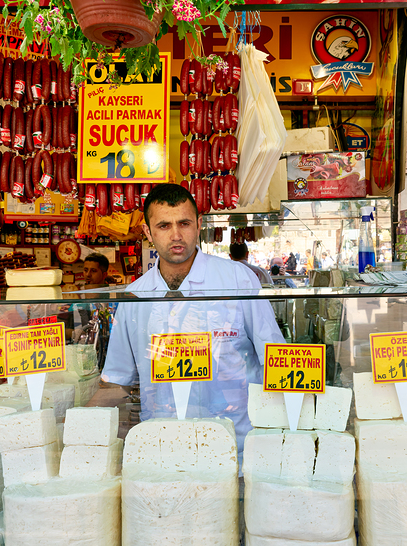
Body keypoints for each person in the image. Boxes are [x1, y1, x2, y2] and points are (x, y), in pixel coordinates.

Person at [100, 184, 285, 450]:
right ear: (147, 232)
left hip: (235, 441)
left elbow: (274, 356)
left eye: (184, 223)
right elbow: (119, 378)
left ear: (198, 225)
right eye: (164, 226)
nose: (176, 235)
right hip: (163, 442)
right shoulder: (135, 296)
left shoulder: (236, 278)